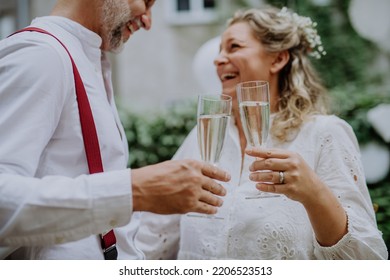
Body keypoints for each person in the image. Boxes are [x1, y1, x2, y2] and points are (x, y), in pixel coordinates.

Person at [134, 6, 388, 259]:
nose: (218, 58)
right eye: (220, 49)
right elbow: (150, 238)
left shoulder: (324, 134)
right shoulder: (203, 137)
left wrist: (314, 193)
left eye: (234, 47)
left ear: (278, 59)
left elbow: (367, 260)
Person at [0, 0, 231, 260]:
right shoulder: (40, 55)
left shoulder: (88, 59)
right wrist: (135, 190)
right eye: (146, 2)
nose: (147, 21)